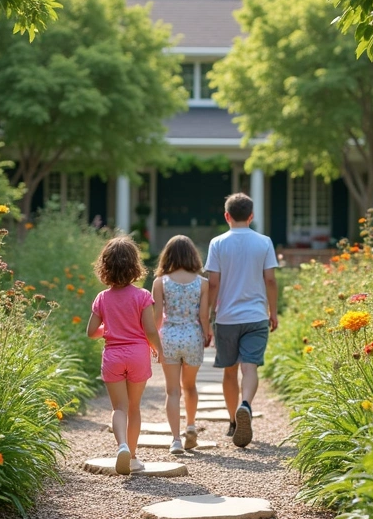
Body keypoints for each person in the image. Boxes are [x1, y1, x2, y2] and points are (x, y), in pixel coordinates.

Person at [205, 192, 279, 447]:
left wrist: (208, 316)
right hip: (256, 316)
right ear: (251, 216)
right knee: (250, 367)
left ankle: (233, 422)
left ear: (227, 216)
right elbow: (270, 280)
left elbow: (213, 283)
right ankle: (245, 404)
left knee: (230, 371)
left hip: (227, 318)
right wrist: (273, 312)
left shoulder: (217, 243)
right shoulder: (264, 242)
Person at [86, 236, 163, 474]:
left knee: (119, 408)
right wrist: (159, 349)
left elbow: (91, 332)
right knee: (134, 408)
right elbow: (150, 330)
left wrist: (109, 328)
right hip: (138, 354)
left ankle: (121, 446)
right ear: (134, 266)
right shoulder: (142, 296)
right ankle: (133, 457)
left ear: (105, 266)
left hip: (113, 356)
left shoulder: (102, 298)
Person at [152, 235, 211, 455]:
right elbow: (203, 315)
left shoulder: (160, 282)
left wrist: (152, 341)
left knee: (172, 390)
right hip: (193, 336)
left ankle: (176, 440)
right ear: (192, 255)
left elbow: (157, 316)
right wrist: (207, 333)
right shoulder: (202, 283)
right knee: (190, 386)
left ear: (167, 256)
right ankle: (191, 426)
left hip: (169, 336)